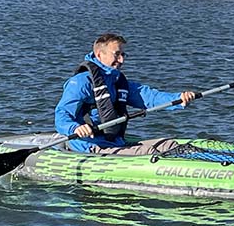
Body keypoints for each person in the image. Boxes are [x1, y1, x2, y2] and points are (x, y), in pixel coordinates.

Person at [55, 33, 196, 155]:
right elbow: (61, 115)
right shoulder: (81, 82)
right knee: (153, 152)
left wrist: (179, 98)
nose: (121, 60)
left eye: (123, 54)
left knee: (170, 145)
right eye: (117, 54)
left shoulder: (117, 80)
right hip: (91, 146)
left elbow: (149, 97)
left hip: (115, 142)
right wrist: (75, 128)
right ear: (99, 55)